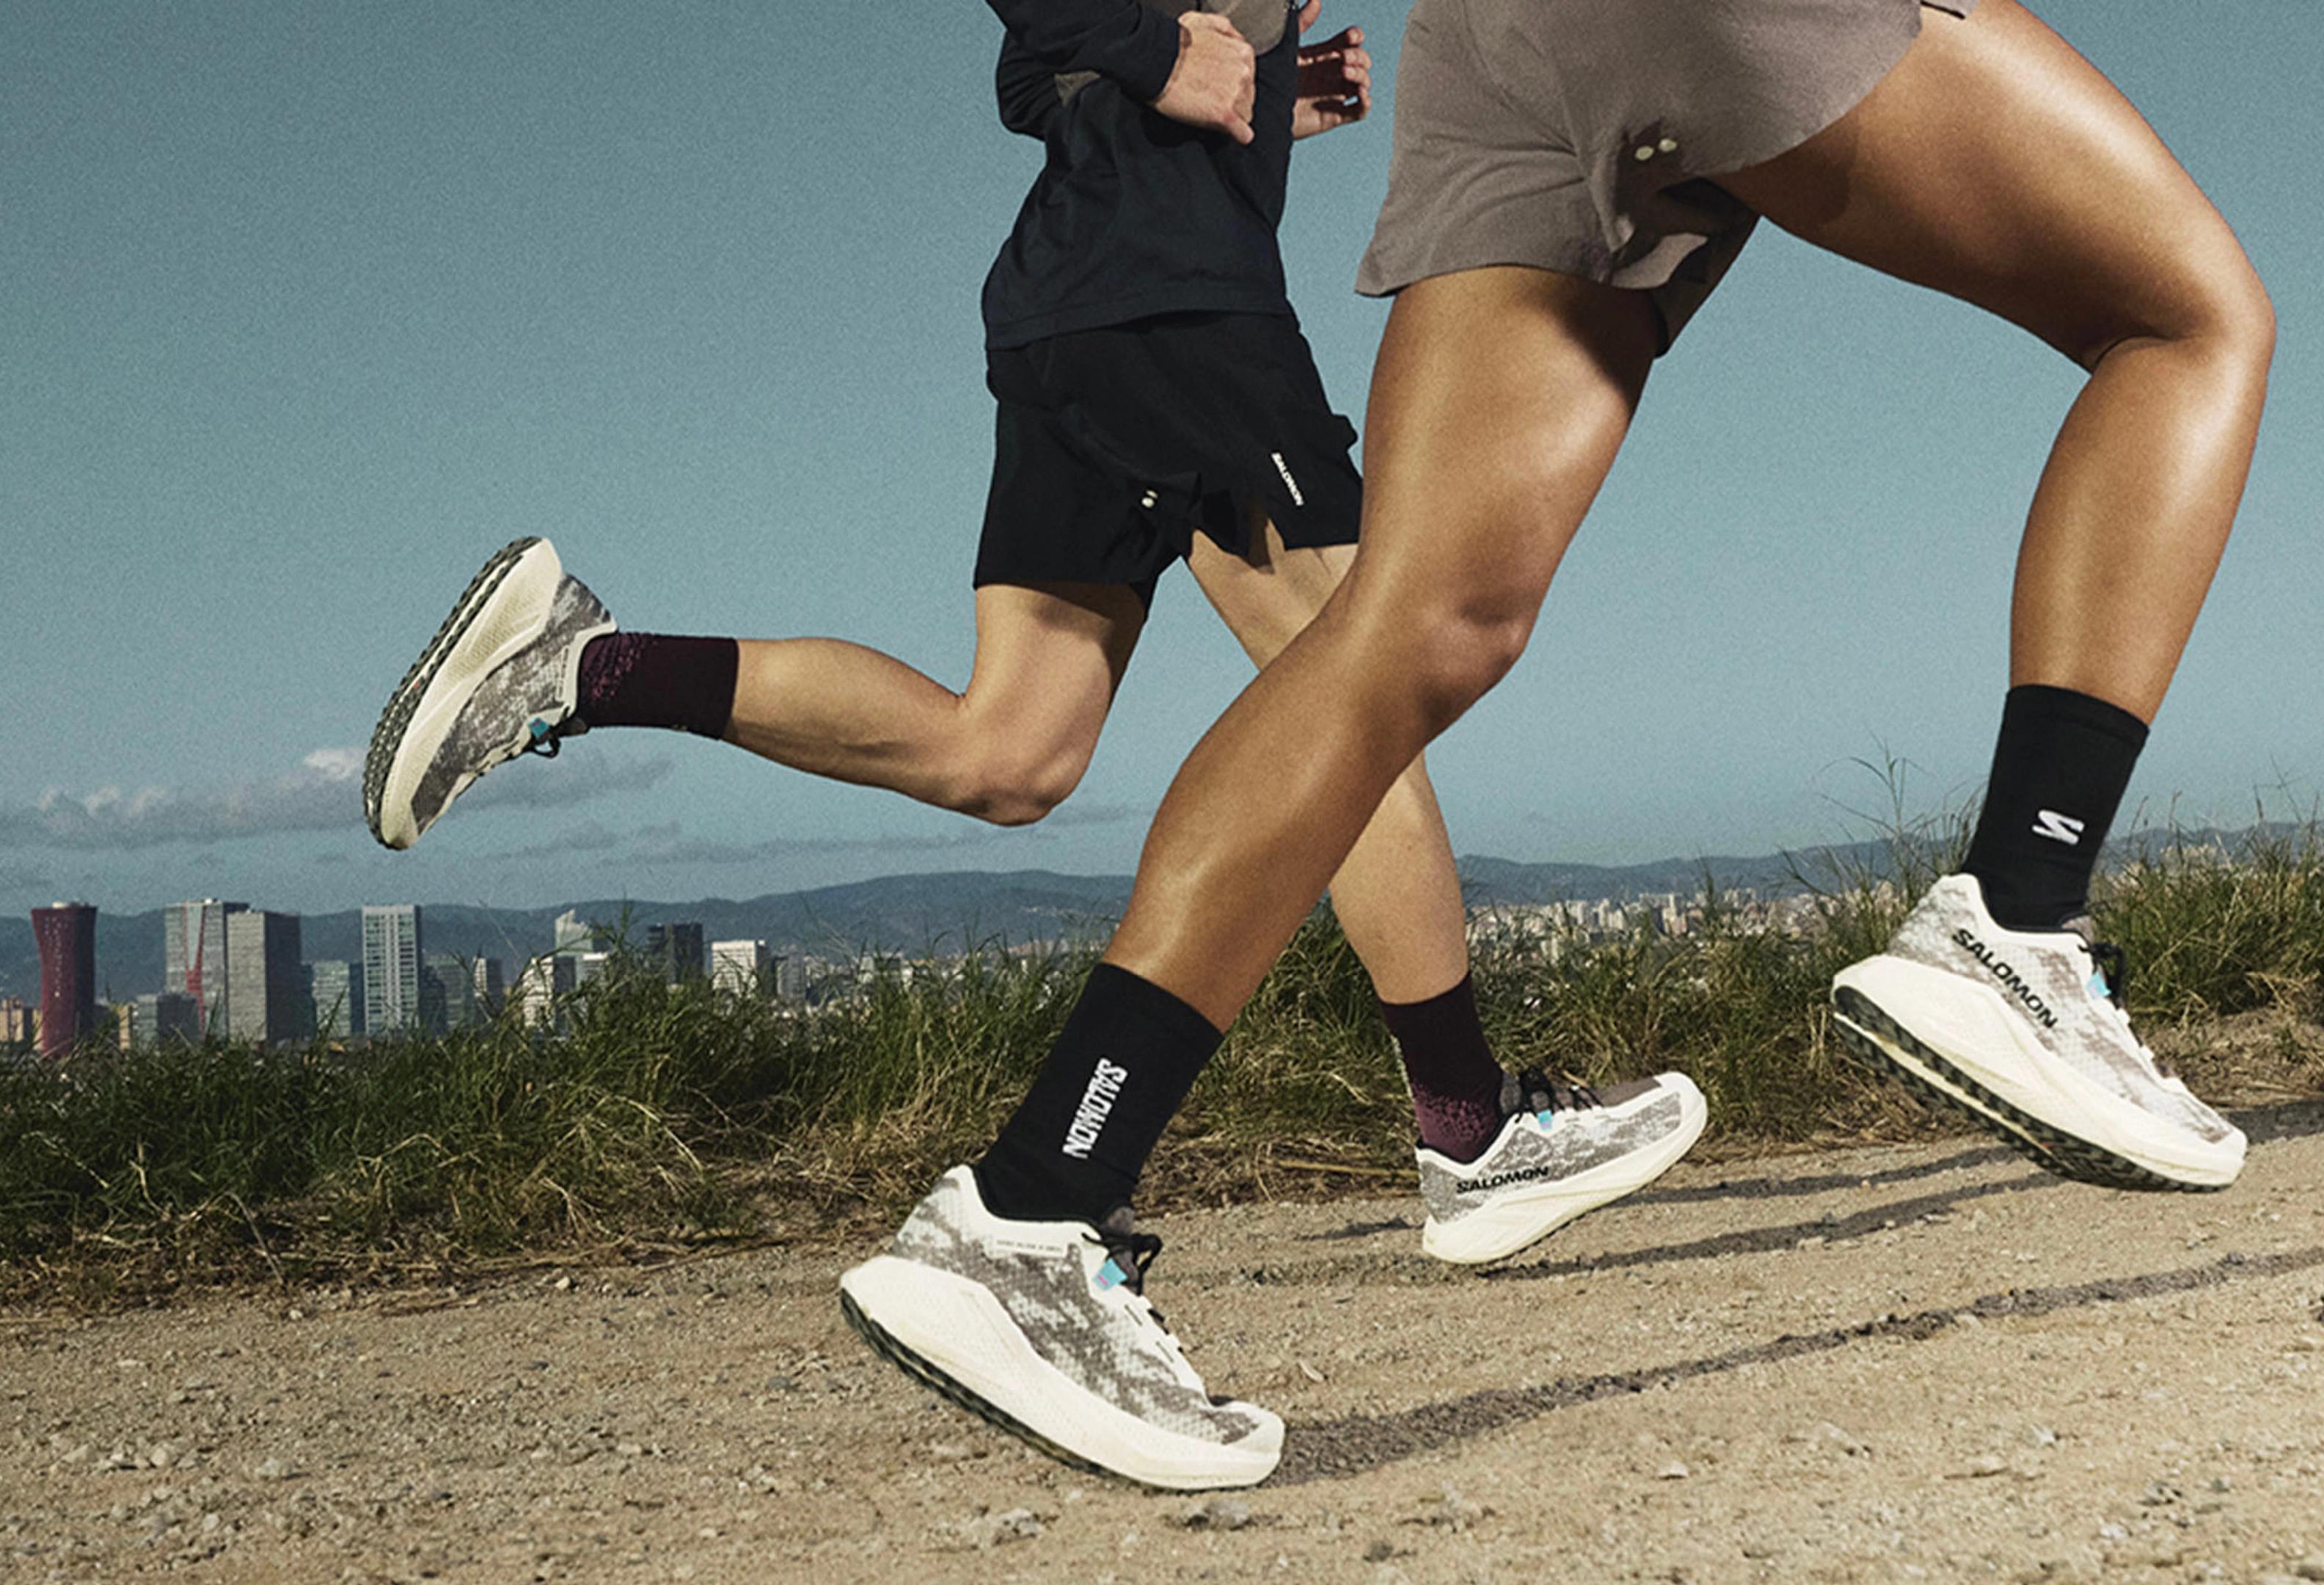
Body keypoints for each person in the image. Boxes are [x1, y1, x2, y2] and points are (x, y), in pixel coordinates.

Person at [851, 0, 2270, 1489]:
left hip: (1499, 42)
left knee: (1417, 621)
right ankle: (2021, 922)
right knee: (2188, 315)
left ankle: (1035, 1204)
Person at [361, 1, 1715, 1484]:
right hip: (1174, 307)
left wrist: (1246, 94)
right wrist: (1159, 57)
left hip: (1078, 304)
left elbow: (1029, 80)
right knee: (1368, 683)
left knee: (1008, 750)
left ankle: (582, 661)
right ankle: (1466, 1129)